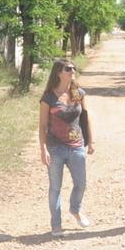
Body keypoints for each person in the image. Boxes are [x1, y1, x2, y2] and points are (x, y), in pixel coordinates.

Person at [39, 58, 95, 235]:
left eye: (73, 69)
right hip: (55, 147)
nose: (72, 71)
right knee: (55, 187)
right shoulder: (48, 97)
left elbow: (85, 117)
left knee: (81, 183)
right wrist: (43, 149)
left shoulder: (78, 93)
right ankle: (56, 224)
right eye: (68, 69)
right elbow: (42, 125)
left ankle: (75, 209)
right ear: (58, 73)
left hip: (77, 145)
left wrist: (90, 141)